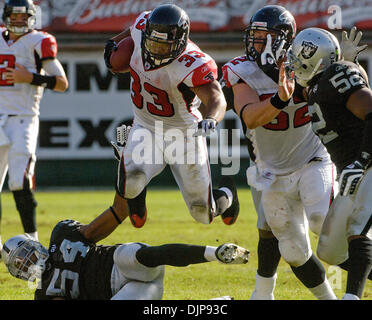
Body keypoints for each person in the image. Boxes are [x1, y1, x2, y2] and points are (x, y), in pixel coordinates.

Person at [222, 5, 338, 300]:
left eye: (263, 36)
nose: (255, 42)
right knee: (293, 249)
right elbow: (250, 116)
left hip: (312, 159)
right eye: (255, 35)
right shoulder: (241, 70)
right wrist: (279, 98)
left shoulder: (307, 61)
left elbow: (350, 83)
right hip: (272, 172)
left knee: (322, 224)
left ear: (283, 38)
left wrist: (346, 63)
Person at [103, 4, 239, 229]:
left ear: (179, 43)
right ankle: (136, 185)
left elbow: (217, 98)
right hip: (145, 126)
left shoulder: (192, 62)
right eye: (152, 42)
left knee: (202, 213)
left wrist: (212, 118)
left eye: (163, 46)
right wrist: (113, 43)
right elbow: (132, 30)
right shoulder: (142, 26)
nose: (155, 50)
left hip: (184, 134)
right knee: (129, 184)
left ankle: (227, 192)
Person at [1, 193, 250, 300]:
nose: (27, 265)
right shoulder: (42, 293)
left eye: (25, 256)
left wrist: (124, 169)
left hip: (119, 266)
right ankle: (214, 303)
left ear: (34, 246)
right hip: (125, 293)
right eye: (19, 266)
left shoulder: (62, 235)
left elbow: (116, 212)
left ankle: (214, 253)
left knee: (141, 255)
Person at [287, 27, 372, 300]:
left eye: (300, 60)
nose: (294, 66)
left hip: (365, 163)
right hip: (353, 169)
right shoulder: (318, 85)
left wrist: (363, 160)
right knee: (330, 251)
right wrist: (352, 65)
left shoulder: (337, 76)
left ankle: (351, 297)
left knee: (357, 230)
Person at [0, 0, 68, 258]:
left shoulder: (39, 41)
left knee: (19, 181)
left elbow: (62, 83)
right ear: (6, 17)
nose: (18, 21)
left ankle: (33, 243)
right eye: (14, 17)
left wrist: (30, 78)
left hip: (23, 117)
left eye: (23, 17)